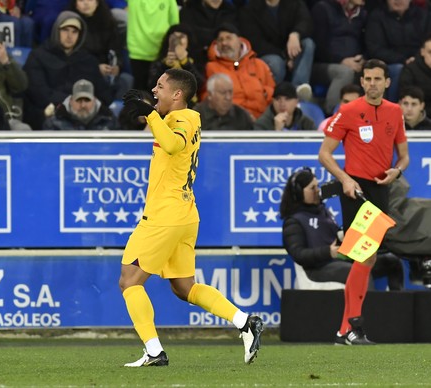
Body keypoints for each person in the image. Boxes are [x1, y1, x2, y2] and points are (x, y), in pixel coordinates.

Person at [118, 68, 264, 367]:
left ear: (177, 94)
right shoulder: (186, 118)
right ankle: (243, 321)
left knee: (129, 281)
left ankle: (154, 350)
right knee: (184, 287)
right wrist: (151, 112)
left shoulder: (182, 119)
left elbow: (173, 145)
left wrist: (151, 115)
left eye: (160, 86)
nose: (154, 90)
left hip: (165, 215)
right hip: (184, 214)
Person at [318, 59, 410, 345]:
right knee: (363, 256)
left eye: (377, 79)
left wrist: (398, 170)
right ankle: (351, 328)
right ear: (362, 82)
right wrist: (345, 179)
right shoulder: (348, 111)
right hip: (355, 189)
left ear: (387, 82)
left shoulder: (395, 112)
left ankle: (345, 329)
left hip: (381, 189)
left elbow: (404, 156)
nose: (372, 83)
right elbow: (325, 154)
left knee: (366, 258)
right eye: (367, 78)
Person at [280, 168, 404, 289]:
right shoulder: (293, 222)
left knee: (392, 262)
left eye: (317, 186)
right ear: (298, 192)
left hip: (341, 261)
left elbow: (335, 237)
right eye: (312, 188)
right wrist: (328, 252)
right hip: (317, 269)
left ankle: (397, 307)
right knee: (358, 273)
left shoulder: (322, 212)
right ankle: (365, 309)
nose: (317, 191)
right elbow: (298, 254)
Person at [22, 11, 111, 130]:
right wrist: (70, 104)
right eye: (65, 30)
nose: (69, 36)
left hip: (85, 115)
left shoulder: (88, 60)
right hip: (49, 114)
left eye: (74, 32)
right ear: (56, 31)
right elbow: (39, 93)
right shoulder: (38, 56)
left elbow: (103, 93)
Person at [238, 0, 314, 94]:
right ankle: (276, 96)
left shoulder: (295, 3)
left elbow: (306, 21)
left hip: (290, 50)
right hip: (268, 53)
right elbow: (257, 43)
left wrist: (295, 34)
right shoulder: (250, 9)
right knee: (276, 63)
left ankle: (298, 90)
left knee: (308, 44)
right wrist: (285, 57)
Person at [203, 24, 275, 119]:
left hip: (261, 120)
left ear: (239, 41)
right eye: (220, 40)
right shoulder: (211, 68)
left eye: (228, 38)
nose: (224, 43)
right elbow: (206, 97)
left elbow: (274, 93)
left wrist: (264, 94)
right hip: (229, 122)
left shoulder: (259, 65)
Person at [364, 0, 431, 102]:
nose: (398, 0)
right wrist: (403, 59)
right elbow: (375, 49)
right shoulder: (377, 16)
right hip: (389, 62)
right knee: (398, 69)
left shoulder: (423, 15)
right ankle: (393, 109)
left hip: (418, 60)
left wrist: (416, 59)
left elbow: (427, 42)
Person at [67, 0, 133, 100]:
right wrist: (95, 67)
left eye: (90, 0)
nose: (86, 3)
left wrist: (117, 65)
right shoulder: (71, 25)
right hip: (83, 71)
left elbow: (115, 48)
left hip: (107, 70)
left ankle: (118, 111)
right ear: (75, 4)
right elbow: (73, 55)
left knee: (126, 79)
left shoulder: (108, 20)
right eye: (81, 0)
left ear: (97, 2)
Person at [311, 0, 366, 114]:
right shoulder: (323, 9)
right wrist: (341, 61)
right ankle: (333, 114)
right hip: (323, 65)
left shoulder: (363, 14)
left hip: (353, 63)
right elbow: (319, 48)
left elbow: (369, 42)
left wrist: (363, 58)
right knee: (345, 72)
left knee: (375, 72)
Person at [126, 0, 179, 91]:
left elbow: (174, 27)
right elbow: (175, 26)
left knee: (157, 91)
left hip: (160, 53)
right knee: (143, 92)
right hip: (138, 52)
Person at [148, 24, 204, 107]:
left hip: (189, 105)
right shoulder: (161, 61)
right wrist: (165, 66)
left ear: (188, 40)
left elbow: (199, 84)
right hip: (162, 104)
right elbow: (151, 86)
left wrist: (185, 63)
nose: (177, 41)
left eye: (181, 37)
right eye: (174, 37)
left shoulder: (196, 60)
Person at [179, 0, 240, 74]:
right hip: (197, 65)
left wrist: (202, 34)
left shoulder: (231, 11)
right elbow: (189, 38)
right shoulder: (187, 11)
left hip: (228, 65)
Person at [43, 79, 116, 131]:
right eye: (78, 100)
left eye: (87, 100)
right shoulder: (54, 123)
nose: (83, 105)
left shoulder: (109, 121)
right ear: (71, 101)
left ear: (94, 100)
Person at [399, 34, 431, 118]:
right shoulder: (410, 70)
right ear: (422, 52)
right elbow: (407, 100)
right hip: (420, 117)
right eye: (430, 52)